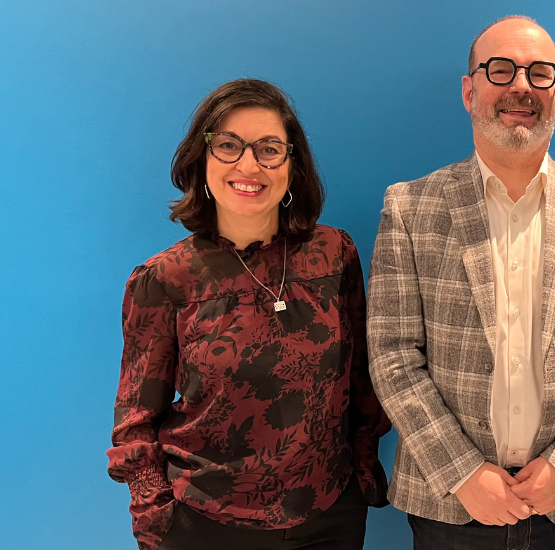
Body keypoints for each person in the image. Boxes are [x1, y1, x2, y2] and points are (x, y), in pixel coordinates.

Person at [366, 15, 555, 550]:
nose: (522, 86)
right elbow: (392, 354)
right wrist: (461, 473)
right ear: (469, 89)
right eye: (501, 70)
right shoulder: (409, 207)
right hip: (448, 505)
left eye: (539, 72)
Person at [106, 79, 390, 550]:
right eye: (229, 146)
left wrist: (359, 476)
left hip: (329, 517)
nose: (248, 165)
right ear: (203, 159)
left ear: (292, 164)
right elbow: (135, 419)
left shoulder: (336, 255)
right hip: (204, 524)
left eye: (269, 149)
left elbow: (361, 382)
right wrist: (156, 518)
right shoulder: (165, 278)